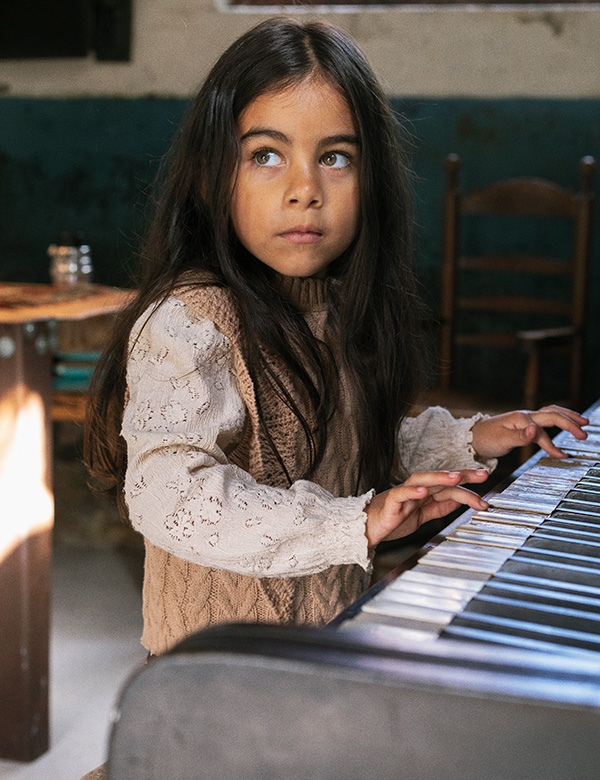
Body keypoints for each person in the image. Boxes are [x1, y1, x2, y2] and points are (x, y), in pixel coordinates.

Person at [84, 17, 588, 661]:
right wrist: (355, 522)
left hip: (327, 653)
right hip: (221, 675)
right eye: (266, 155)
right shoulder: (191, 320)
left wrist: (476, 437)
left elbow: (346, 447)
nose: (305, 192)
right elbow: (169, 493)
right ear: (215, 176)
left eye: (335, 157)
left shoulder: (337, 308)